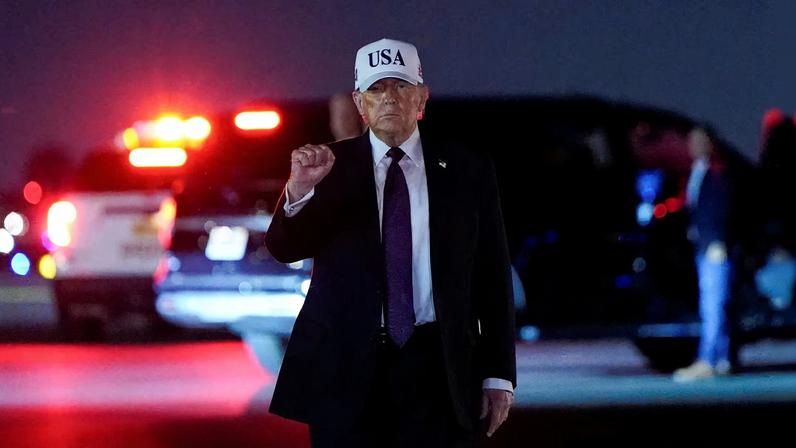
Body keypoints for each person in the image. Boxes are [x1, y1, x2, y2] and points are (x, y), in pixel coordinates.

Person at [265, 38, 517, 447]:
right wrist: (298, 191)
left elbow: (492, 278)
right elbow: (284, 248)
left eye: (400, 87)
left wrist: (499, 374)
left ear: (422, 97)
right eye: (377, 89)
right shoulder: (326, 167)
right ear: (359, 103)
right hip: (345, 368)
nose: (389, 99)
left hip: (439, 370)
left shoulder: (466, 169)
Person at [673, 126, 738, 382]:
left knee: (712, 305)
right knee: (714, 305)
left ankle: (708, 359)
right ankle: (721, 358)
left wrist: (717, 242)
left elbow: (720, 210)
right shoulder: (696, 172)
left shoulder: (717, 173)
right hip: (704, 247)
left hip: (713, 248)